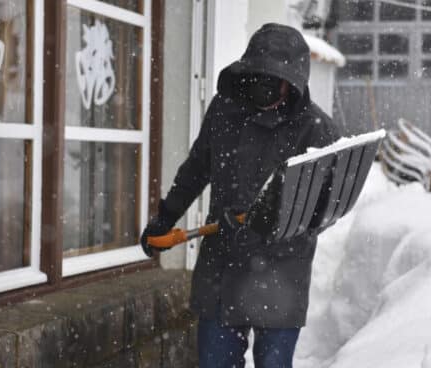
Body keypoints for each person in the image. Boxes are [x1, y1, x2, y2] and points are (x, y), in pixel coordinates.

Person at [140, 23, 340, 368]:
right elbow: (196, 169)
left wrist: (272, 220)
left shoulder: (316, 129)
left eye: (273, 78)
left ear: (292, 82)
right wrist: (165, 218)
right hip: (223, 265)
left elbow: (327, 207)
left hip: (281, 273)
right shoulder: (224, 110)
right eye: (258, 75)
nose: (263, 86)